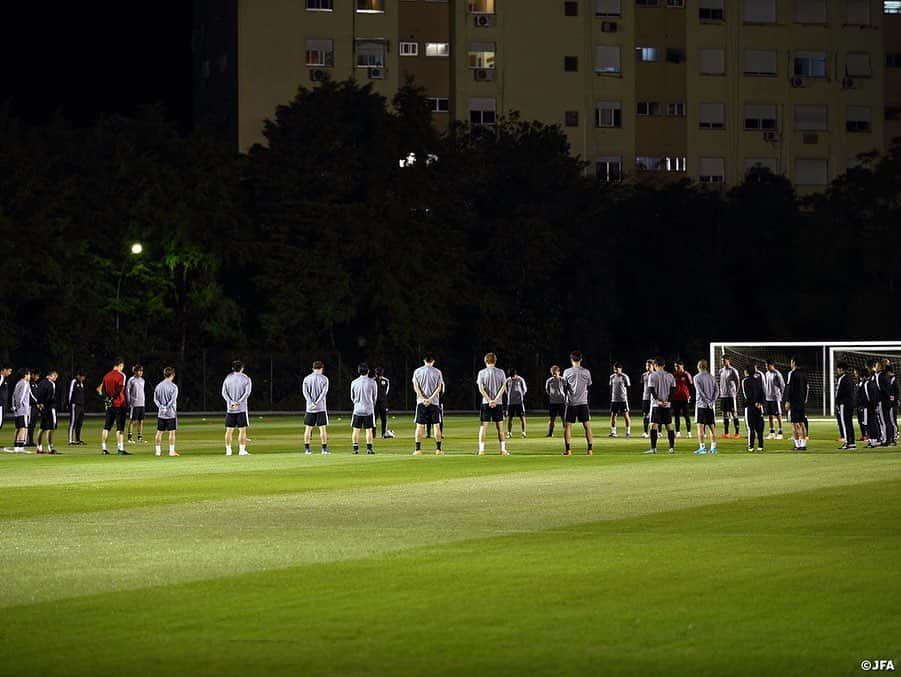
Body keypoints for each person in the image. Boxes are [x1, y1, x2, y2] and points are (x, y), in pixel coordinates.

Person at [412, 353, 444, 455]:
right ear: (433, 361)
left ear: (424, 361)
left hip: (421, 403)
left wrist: (423, 398)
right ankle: (438, 449)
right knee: (436, 426)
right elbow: (439, 387)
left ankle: (418, 450)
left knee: (419, 426)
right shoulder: (438, 372)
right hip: (434, 402)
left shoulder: (417, 371)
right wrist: (430, 399)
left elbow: (416, 387)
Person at [477, 352, 509, 456]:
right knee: (500, 428)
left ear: (485, 361)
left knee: (483, 427)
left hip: (486, 403)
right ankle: (502, 450)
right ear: (495, 361)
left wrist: (489, 400)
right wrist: (495, 400)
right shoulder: (501, 372)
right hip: (498, 403)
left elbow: (481, 389)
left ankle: (481, 450)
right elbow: (503, 387)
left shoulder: (482, 372)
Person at [562, 351, 593, 456]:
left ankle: (568, 450)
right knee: (587, 426)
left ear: (571, 360)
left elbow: (565, 387)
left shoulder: (566, 372)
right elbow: (589, 385)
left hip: (571, 403)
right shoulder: (586, 372)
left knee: (568, 426)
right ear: (581, 359)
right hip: (583, 402)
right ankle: (589, 450)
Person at [98, 357, 130, 455]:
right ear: (120, 365)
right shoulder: (122, 375)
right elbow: (120, 389)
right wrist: (113, 398)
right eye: (122, 366)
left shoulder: (106, 375)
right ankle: (120, 448)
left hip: (109, 405)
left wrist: (106, 399)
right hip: (119, 404)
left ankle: (104, 448)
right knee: (120, 428)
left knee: (107, 427)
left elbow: (101, 389)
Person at [645, 358, 676, 454]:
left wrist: (658, 401)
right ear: (664, 365)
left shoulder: (652, 375)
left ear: (655, 365)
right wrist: (668, 401)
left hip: (656, 405)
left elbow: (651, 390)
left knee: (654, 426)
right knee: (669, 426)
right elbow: (673, 390)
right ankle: (671, 448)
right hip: (667, 405)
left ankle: (653, 448)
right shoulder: (670, 376)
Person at [222, 359, 252, 456]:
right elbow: (247, 393)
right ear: (242, 368)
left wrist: (231, 402)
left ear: (232, 368)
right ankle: (242, 450)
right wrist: (238, 402)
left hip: (230, 408)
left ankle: (228, 450)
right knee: (242, 430)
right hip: (241, 408)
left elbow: (223, 392)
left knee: (229, 430)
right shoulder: (246, 379)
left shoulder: (228, 378)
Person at [302, 360, 330, 455]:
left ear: (313, 368)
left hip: (310, 408)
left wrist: (311, 402)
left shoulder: (306, 379)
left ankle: (307, 449)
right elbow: (324, 393)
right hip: (321, 407)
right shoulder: (325, 379)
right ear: (322, 368)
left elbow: (305, 393)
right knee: (322, 429)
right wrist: (317, 402)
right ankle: (324, 449)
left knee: (308, 429)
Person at [350, 363, 378, 455]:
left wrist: (357, 403)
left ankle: (355, 449)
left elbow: (352, 397)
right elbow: (374, 396)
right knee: (369, 430)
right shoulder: (372, 382)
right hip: (368, 409)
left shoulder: (354, 382)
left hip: (357, 409)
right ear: (368, 371)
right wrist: (371, 404)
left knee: (356, 430)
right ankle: (369, 449)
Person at [692, 359, 719, 454]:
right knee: (712, 427)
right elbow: (717, 390)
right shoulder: (712, 377)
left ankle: (702, 448)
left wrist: (707, 401)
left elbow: (700, 392)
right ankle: (713, 448)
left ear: (698, 367)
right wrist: (712, 401)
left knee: (700, 427)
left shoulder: (696, 377)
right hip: (710, 406)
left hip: (701, 405)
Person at [784, 356, 809, 451]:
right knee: (802, 423)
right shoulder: (804, 374)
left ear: (794, 363)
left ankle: (797, 444)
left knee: (795, 424)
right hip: (801, 402)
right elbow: (807, 387)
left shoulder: (792, 374)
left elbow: (791, 389)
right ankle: (803, 444)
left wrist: (788, 401)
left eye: (791, 362)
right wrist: (804, 399)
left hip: (794, 402)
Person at [153, 367, 179, 457]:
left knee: (159, 432)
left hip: (161, 414)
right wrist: (166, 407)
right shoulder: (174, 387)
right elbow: (172, 400)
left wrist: (161, 407)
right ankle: (171, 451)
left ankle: (158, 451)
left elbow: (155, 399)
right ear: (172, 375)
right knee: (172, 432)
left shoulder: (158, 386)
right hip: (171, 413)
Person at [35, 369, 59, 454]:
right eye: (54, 376)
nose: (56, 377)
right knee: (51, 427)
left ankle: (39, 447)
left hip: (43, 408)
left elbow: (38, 394)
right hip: (49, 408)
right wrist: (44, 404)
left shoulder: (41, 383)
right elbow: (50, 397)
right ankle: (50, 448)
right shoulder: (50, 384)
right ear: (49, 376)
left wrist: (39, 403)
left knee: (42, 428)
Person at [741, 365, 765, 453]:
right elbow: (762, 392)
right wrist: (760, 403)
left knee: (750, 427)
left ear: (746, 371)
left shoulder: (745, 381)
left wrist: (753, 402)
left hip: (750, 407)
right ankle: (760, 446)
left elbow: (747, 395)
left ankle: (751, 446)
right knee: (759, 427)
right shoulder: (758, 380)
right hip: (759, 407)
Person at [834, 362, 856, 450]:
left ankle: (848, 442)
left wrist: (837, 402)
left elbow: (839, 392)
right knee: (849, 423)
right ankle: (852, 442)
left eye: (838, 369)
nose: (837, 370)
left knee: (845, 423)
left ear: (841, 369)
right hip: (850, 403)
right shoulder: (850, 378)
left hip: (844, 403)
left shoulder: (842, 378)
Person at [718, 355, 741, 439]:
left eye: (724, 360)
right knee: (724, 414)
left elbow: (738, 382)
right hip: (723, 395)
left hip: (731, 395)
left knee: (734, 413)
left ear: (728, 360)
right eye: (722, 360)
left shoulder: (733, 370)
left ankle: (737, 433)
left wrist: (736, 393)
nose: (722, 362)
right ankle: (726, 433)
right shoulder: (721, 371)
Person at [10, 368, 32, 453]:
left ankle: (16, 446)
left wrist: (14, 407)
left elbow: (13, 396)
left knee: (18, 428)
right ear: (25, 375)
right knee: (23, 428)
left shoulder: (18, 383)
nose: (30, 376)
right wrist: (18, 406)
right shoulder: (25, 383)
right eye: (29, 374)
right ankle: (20, 447)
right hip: (23, 409)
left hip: (17, 410)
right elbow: (21, 397)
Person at [608, 362, 631, 438]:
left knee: (625, 415)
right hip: (614, 400)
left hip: (623, 400)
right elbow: (611, 387)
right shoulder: (612, 377)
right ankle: (613, 432)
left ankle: (628, 432)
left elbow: (628, 387)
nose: (615, 369)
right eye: (614, 368)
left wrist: (625, 397)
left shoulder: (624, 377)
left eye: (616, 368)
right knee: (613, 415)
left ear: (620, 369)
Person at [878, 359, 898, 446]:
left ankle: (888, 439)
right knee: (889, 420)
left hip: (885, 401)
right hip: (889, 401)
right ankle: (891, 438)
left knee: (887, 421)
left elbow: (885, 389)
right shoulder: (887, 377)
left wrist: (894, 398)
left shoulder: (883, 376)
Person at [764, 360, 785, 440]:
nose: (766, 367)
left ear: (772, 365)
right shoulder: (767, 374)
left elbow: (782, 385)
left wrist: (780, 395)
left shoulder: (777, 374)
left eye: (767, 365)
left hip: (775, 398)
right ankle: (772, 433)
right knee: (770, 416)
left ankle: (780, 433)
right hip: (768, 397)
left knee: (778, 415)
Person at [126, 365, 147, 445]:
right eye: (138, 371)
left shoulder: (142, 380)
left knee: (141, 421)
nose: (140, 372)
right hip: (134, 404)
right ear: (135, 371)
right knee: (132, 420)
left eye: (141, 371)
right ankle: (130, 437)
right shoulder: (131, 380)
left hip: (142, 403)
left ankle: (139, 437)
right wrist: (129, 401)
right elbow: (127, 391)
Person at [671, 360, 692, 438]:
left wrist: (689, 396)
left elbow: (691, 386)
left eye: (677, 366)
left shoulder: (686, 374)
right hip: (676, 398)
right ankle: (678, 432)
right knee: (676, 416)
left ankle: (689, 432)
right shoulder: (674, 375)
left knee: (686, 415)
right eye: (675, 366)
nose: (676, 368)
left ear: (682, 366)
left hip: (684, 398)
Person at [505, 368, 528, 439]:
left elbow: (525, 389)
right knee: (509, 418)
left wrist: (520, 396)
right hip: (510, 402)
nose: (512, 377)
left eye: (513, 376)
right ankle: (509, 433)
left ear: (516, 374)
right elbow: (505, 389)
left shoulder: (520, 379)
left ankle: (523, 432)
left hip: (519, 402)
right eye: (511, 376)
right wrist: (509, 395)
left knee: (522, 417)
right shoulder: (508, 380)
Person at [545, 365, 566, 437]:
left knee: (564, 418)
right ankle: (550, 433)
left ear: (559, 372)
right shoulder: (549, 381)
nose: (554, 374)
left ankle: (566, 432)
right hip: (553, 402)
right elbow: (547, 390)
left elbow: (567, 387)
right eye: (552, 373)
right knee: (552, 419)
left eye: (555, 373)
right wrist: (552, 395)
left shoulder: (562, 379)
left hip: (561, 402)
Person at [373, 367, 394, 439]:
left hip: (383, 403)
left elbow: (386, 392)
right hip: (374, 403)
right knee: (374, 419)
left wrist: (382, 398)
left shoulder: (386, 381)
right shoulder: (372, 381)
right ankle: (373, 434)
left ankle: (383, 434)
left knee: (384, 419)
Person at [67, 370, 87, 445]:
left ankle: (78, 439)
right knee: (73, 422)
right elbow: (70, 392)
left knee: (79, 423)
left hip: (81, 405)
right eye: (82, 377)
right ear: (79, 376)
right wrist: (70, 403)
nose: (83, 378)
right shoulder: (74, 381)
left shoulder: (81, 383)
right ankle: (70, 440)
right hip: (75, 405)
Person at [640, 359, 655, 438]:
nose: (647, 367)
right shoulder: (644, 375)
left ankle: (658, 432)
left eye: (649, 365)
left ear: (653, 366)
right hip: (645, 398)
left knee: (655, 415)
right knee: (645, 415)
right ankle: (645, 432)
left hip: (654, 398)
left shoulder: (656, 375)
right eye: (646, 365)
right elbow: (643, 385)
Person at [26, 369, 40, 447]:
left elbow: (36, 395)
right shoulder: (29, 383)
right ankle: (27, 440)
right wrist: (37, 402)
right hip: (31, 406)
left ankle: (31, 440)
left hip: (35, 407)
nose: (37, 377)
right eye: (36, 375)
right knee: (29, 424)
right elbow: (31, 395)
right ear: (32, 375)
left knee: (33, 424)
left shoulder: (35, 384)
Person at [856, 368, 869, 443]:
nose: (855, 374)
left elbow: (863, 395)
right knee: (860, 421)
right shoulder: (859, 383)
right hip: (859, 405)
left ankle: (867, 435)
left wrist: (862, 404)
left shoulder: (865, 383)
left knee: (864, 421)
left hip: (863, 405)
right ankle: (864, 435)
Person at [0, 364, 11, 441]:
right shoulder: (1, 377)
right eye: (9, 371)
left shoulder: (4, 378)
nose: (10, 373)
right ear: (4, 370)